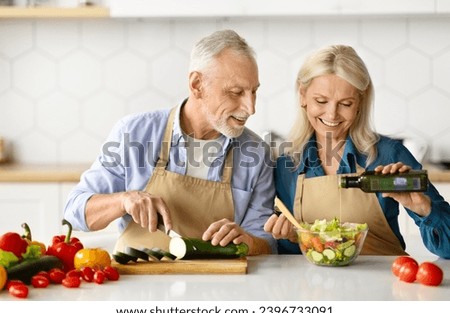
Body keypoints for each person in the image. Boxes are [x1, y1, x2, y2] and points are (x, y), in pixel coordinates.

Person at [64, 29, 276, 255]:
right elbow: (74, 212)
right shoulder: (134, 133)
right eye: (236, 92)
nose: (250, 108)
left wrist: (250, 242)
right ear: (197, 85)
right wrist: (124, 200)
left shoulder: (256, 153)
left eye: (254, 92)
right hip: (139, 284)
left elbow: (267, 242)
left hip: (218, 287)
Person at [264, 44, 450, 258]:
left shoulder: (389, 155)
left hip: (383, 287)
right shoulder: (286, 164)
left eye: (345, 103)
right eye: (321, 101)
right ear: (303, 95)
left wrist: (424, 208)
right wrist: (288, 235)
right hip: (312, 288)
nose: (332, 114)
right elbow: (288, 256)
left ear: (361, 101)